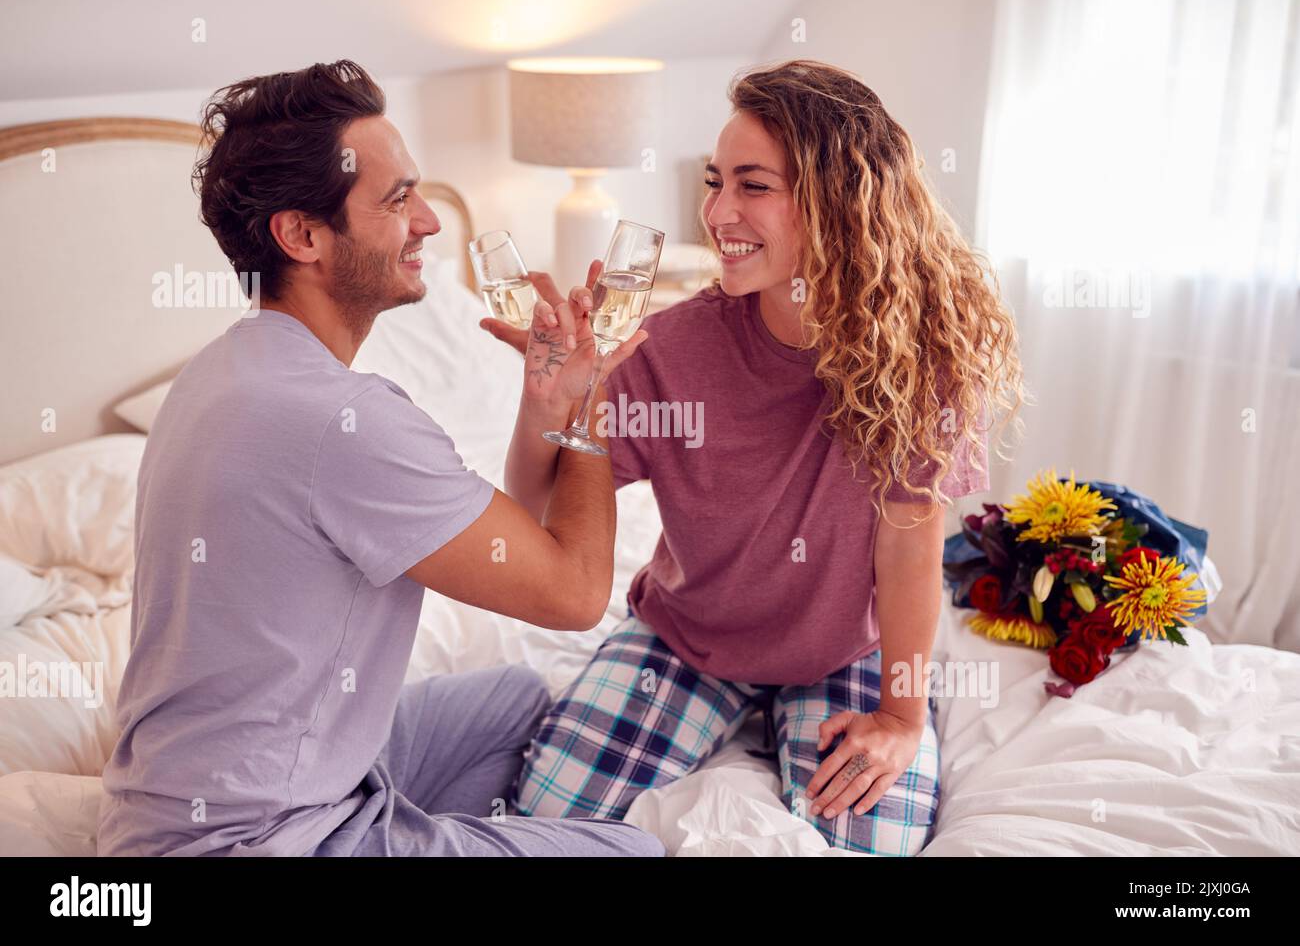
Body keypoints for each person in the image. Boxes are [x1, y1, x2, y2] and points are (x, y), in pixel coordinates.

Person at [97, 60, 660, 857]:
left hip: (217, 791)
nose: (430, 221)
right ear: (303, 236)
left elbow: (512, 543)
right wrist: (597, 396)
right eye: (398, 200)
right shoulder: (344, 423)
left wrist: (548, 402)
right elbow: (573, 593)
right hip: (256, 839)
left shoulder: (219, 370)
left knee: (518, 698)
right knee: (640, 854)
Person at [484, 59, 1026, 855]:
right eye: (714, 181)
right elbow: (537, 504)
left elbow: (910, 545)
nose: (717, 211)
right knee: (546, 810)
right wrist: (549, 403)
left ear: (839, 202)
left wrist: (901, 719)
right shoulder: (670, 347)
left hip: (843, 654)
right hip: (690, 637)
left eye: (752, 185)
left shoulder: (925, 362)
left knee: (870, 843)